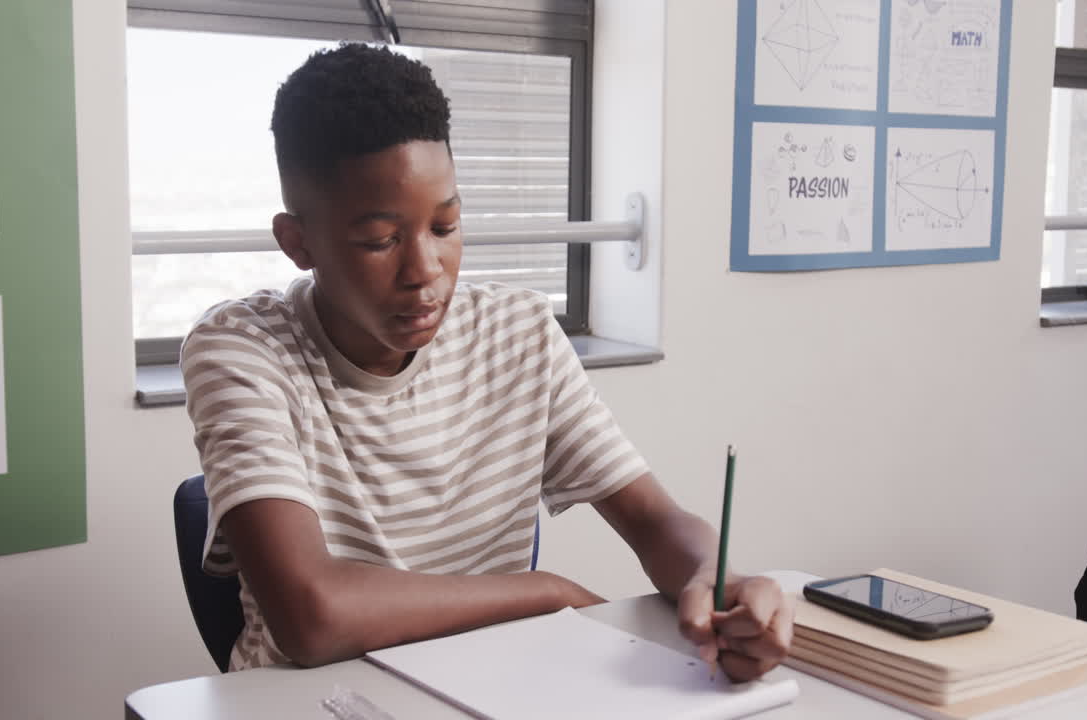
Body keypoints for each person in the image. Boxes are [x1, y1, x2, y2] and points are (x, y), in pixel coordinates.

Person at [181, 43, 794, 678]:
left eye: (445, 227)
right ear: (297, 242)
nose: (425, 272)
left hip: (488, 687)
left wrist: (715, 579)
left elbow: (654, 519)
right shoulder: (242, 350)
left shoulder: (518, 333)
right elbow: (312, 618)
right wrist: (545, 593)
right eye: (380, 241)